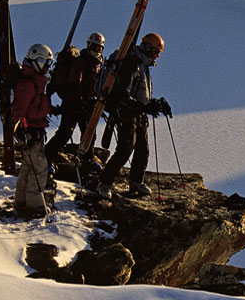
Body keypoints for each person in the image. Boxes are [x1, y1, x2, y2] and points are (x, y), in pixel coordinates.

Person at [95, 32, 172, 199]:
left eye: (158, 53)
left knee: (143, 150)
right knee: (125, 149)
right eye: (155, 52)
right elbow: (123, 94)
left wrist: (154, 104)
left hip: (138, 113)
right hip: (126, 113)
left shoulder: (143, 65)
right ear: (146, 48)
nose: (156, 57)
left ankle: (136, 181)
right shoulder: (132, 64)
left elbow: (140, 92)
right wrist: (145, 106)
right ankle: (104, 183)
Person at [45, 31, 106, 164]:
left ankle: (87, 159)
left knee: (89, 133)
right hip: (74, 104)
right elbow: (75, 82)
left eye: (99, 48)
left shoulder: (97, 64)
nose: (97, 50)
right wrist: (80, 101)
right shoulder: (81, 61)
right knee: (65, 133)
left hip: (86, 104)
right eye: (94, 47)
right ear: (89, 45)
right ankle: (46, 157)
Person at [11, 43, 54, 218]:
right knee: (39, 168)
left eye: (48, 64)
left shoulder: (34, 81)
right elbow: (19, 109)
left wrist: (50, 110)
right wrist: (20, 130)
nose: (46, 67)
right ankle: (34, 206)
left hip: (33, 129)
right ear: (36, 60)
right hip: (29, 131)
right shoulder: (27, 83)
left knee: (28, 168)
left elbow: (35, 105)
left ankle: (21, 202)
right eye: (44, 62)